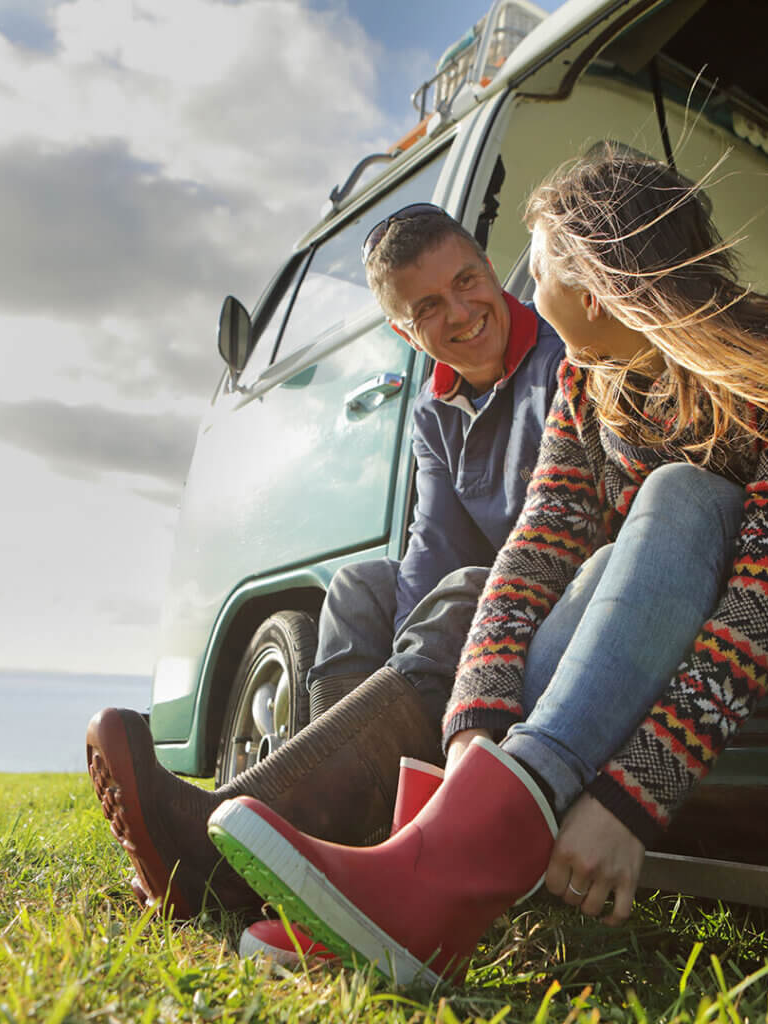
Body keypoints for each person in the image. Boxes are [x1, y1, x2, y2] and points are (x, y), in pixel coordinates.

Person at [203, 145, 768, 985]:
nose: (524, 288)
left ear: (594, 286)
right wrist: (475, 722)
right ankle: (420, 866)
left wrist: (630, 797)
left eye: (536, 265)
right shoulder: (590, 384)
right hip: (713, 638)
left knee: (685, 493)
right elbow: (534, 553)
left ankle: (458, 856)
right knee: (587, 571)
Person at [85, 204, 564, 925]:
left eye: (467, 281)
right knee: (360, 585)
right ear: (404, 331)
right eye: (429, 306)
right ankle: (337, 837)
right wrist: (406, 654)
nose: (462, 312)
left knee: (471, 592)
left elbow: (554, 528)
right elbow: (431, 541)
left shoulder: (559, 357)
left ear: (492, 271)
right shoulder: (436, 415)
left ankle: (227, 848)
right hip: (488, 605)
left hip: (555, 584)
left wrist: (429, 644)